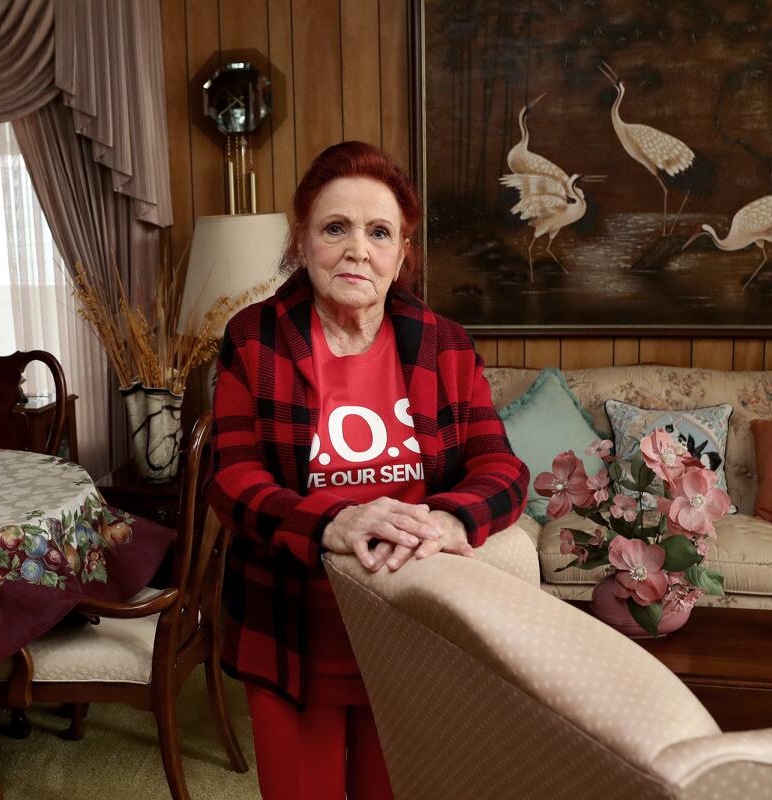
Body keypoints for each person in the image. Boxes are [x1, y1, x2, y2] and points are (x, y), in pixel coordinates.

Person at [205, 140, 529, 800]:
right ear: (302, 241)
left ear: (402, 252)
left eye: (379, 232)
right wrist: (336, 520)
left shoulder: (445, 345)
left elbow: (503, 469)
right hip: (291, 634)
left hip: (413, 636)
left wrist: (444, 520)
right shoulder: (254, 340)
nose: (358, 249)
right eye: (336, 228)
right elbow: (232, 481)